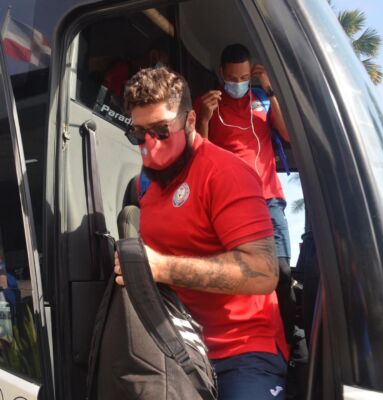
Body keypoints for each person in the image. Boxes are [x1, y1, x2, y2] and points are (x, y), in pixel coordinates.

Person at [115, 66, 289, 400]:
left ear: (191, 120)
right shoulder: (145, 184)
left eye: (162, 131)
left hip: (242, 351)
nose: (150, 147)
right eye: (139, 134)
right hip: (175, 346)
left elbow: (263, 272)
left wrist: (161, 267)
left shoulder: (226, 173)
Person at [195, 43, 296, 347]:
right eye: (232, 78)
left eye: (243, 78)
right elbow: (199, 156)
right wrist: (203, 119)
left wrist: (269, 88)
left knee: (282, 272)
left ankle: (292, 346)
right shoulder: (208, 104)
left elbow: (288, 134)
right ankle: (250, 344)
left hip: (269, 198)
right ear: (221, 74)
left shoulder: (262, 99)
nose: (238, 84)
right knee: (241, 277)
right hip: (233, 204)